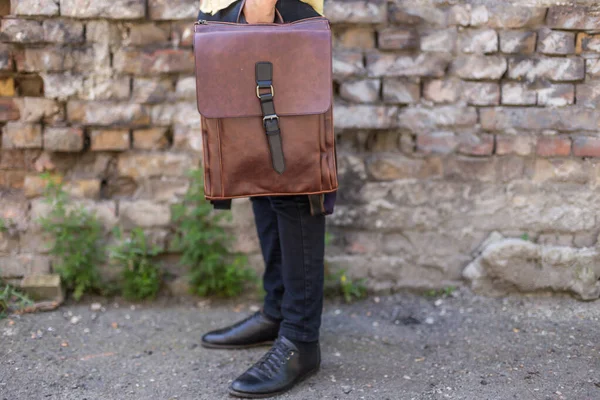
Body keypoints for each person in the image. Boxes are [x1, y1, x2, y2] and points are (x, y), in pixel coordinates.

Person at [197, 0, 329, 398]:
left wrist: (259, 7)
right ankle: (278, 310)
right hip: (230, 14)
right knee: (255, 164)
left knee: (293, 176)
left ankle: (300, 338)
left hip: (273, 13)